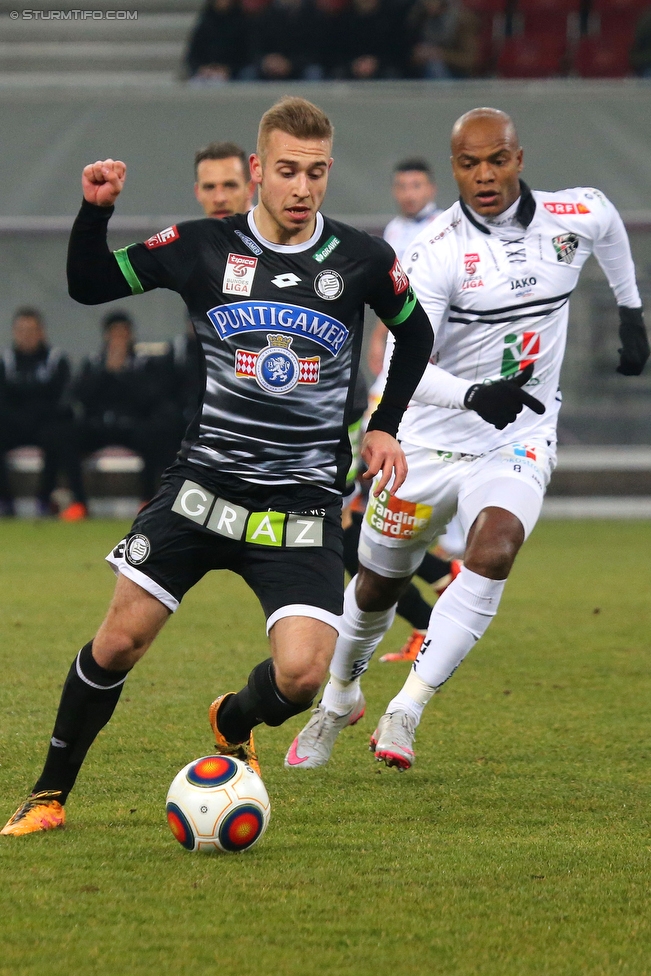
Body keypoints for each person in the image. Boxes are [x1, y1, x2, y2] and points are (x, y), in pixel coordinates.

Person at [1, 96, 440, 836]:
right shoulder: (202, 245)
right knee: (117, 643)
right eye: (289, 172)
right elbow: (87, 284)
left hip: (299, 503)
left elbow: (415, 333)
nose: (302, 189)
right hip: (202, 488)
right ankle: (48, 796)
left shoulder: (362, 259)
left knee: (302, 677)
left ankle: (231, 718)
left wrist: (383, 426)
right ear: (256, 170)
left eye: (317, 173)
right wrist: (94, 211)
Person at [285, 106, 649, 771]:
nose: (483, 175)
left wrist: (629, 308)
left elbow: (607, 225)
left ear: (518, 157)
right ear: (453, 167)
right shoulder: (436, 251)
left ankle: (408, 708)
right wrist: (472, 394)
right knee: (375, 588)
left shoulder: (574, 216)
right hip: (425, 442)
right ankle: (338, 698)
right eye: (467, 163)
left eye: (496, 159)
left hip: (517, 438)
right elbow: (403, 368)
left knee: (496, 547)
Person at [72, 311, 180, 504]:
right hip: (99, 426)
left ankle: (148, 500)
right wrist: (106, 372)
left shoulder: (145, 364)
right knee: (65, 436)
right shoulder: (93, 363)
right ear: (106, 336)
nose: (119, 339)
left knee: (158, 437)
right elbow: (82, 397)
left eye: (124, 334)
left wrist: (124, 373)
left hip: (132, 426)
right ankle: (78, 502)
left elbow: (150, 399)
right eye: (115, 334)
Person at [0, 307, 87, 521]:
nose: (27, 335)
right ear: (14, 332)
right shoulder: (6, 361)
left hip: (45, 425)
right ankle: (5, 502)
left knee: (59, 435)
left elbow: (62, 399)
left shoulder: (56, 360)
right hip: (13, 424)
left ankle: (45, 499)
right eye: (22, 330)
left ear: (41, 332)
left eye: (32, 330)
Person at [193, 141, 254, 219]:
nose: (219, 199)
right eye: (209, 187)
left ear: (250, 189)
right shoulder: (186, 231)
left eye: (230, 186)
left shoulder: (271, 230)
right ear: (197, 192)